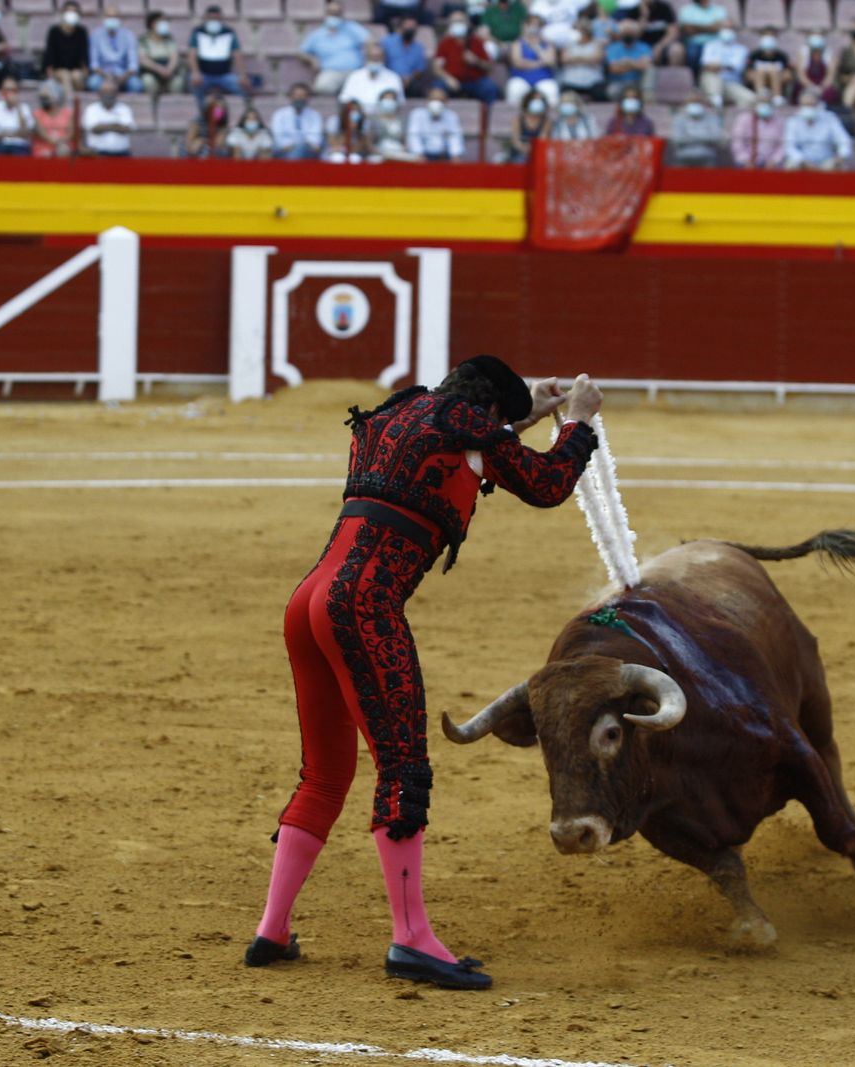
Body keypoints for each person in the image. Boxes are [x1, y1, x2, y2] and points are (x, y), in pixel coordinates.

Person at [245, 359, 602, 991]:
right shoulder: (471, 431)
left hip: (307, 604)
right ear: (490, 414)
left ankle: (272, 929)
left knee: (324, 774)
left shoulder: (396, 416)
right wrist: (576, 421)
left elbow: (462, 442)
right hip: (362, 607)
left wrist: (529, 413)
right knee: (403, 771)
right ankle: (410, 940)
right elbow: (548, 484)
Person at [302, 2, 368, 96]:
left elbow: (370, 42)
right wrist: (312, 60)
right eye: (331, 13)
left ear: (342, 15)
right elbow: (302, 52)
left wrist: (368, 60)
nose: (334, 16)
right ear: (325, 14)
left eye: (337, 13)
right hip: (331, 72)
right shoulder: (317, 34)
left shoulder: (352, 28)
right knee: (322, 87)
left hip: (354, 72)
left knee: (365, 90)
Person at [433, 12, 499, 104]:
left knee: (490, 88)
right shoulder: (445, 43)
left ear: (467, 23)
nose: (458, 24)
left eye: (460, 21)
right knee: (438, 88)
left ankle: (486, 117)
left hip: (475, 82)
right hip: (452, 81)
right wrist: (448, 78)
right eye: (454, 22)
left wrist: (476, 61)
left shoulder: (477, 42)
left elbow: (489, 67)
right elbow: (437, 68)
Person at [188, 5, 247, 106]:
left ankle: (244, 115)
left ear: (221, 19)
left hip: (224, 75)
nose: (213, 21)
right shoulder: (198, 32)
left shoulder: (229, 33)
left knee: (243, 88)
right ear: (205, 19)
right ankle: (201, 117)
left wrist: (243, 76)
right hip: (204, 75)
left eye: (216, 19)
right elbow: (192, 54)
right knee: (193, 86)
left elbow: (237, 55)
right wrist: (195, 73)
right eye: (210, 19)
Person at [504, 16, 558, 106]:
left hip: (543, 79)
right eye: (531, 24)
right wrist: (540, 63)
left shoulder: (548, 44)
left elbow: (550, 62)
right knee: (514, 88)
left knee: (551, 90)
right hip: (521, 78)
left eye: (537, 25)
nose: (534, 27)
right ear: (525, 26)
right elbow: (518, 63)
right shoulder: (517, 43)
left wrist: (536, 46)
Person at [783, 99, 850, 170]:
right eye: (805, 105)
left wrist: (840, 157)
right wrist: (803, 161)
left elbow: (844, 140)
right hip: (803, 161)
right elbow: (789, 146)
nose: (808, 108)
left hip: (827, 161)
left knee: (840, 167)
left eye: (811, 105)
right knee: (791, 164)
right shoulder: (793, 120)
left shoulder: (830, 118)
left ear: (819, 105)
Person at [88, 5, 141, 92]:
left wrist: (122, 78)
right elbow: (94, 65)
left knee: (136, 85)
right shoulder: (95, 35)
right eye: (109, 17)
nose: (112, 20)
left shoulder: (129, 35)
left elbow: (133, 65)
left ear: (120, 19)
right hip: (103, 74)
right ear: (103, 18)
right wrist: (107, 76)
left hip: (123, 74)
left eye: (115, 17)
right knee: (93, 83)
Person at [340, 43, 404, 112]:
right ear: (366, 58)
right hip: (359, 118)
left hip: (383, 118)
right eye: (372, 57)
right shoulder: (354, 76)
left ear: (384, 58)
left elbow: (400, 102)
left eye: (378, 57)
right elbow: (344, 99)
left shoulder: (393, 78)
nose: (375, 60)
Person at [44, 1, 90, 95]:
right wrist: (50, 78)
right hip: (59, 71)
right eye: (69, 11)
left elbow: (84, 57)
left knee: (76, 76)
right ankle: (68, 103)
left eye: (74, 12)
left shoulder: (81, 32)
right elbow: (49, 56)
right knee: (65, 75)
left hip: (75, 71)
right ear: (63, 13)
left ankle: (78, 102)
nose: (71, 14)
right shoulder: (54, 32)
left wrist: (84, 75)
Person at [699, 23, 750, 108]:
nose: (727, 31)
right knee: (712, 77)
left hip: (730, 83)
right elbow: (706, 66)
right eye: (725, 28)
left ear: (735, 31)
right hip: (712, 80)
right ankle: (715, 102)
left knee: (750, 99)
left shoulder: (741, 49)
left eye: (730, 29)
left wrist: (716, 66)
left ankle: (734, 117)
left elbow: (736, 67)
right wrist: (723, 66)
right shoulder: (710, 45)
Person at [82, 75, 135, 157]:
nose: (108, 95)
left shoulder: (124, 109)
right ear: (99, 94)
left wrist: (104, 126)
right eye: (105, 92)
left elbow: (127, 128)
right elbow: (94, 129)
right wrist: (116, 126)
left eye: (111, 92)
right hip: (97, 154)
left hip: (122, 154)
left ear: (116, 94)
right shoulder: (91, 109)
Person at [271, 82, 325, 159]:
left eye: (303, 96)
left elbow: (315, 137)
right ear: (291, 97)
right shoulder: (280, 114)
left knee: (302, 149)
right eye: (297, 95)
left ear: (307, 98)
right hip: (283, 149)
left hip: (307, 148)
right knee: (296, 150)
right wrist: (294, 145)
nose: (300, 98)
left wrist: (302, 145)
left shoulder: (315, 115)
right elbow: (278, 136)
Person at [407, 86, 463, 160]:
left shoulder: (451, 116)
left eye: (440, 100)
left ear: (446, 102)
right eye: (433, 99)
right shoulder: (417, 114)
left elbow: (454, 137)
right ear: (427, 100)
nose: (437, 103)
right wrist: (418, 153)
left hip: (444, 156)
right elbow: (413, 136)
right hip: (423, 154)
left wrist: (455, 155)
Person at [557, 16, 605, 101]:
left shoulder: (597, 44)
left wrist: (576, 58)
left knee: (600, 94)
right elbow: (565, 59)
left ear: (586, 32)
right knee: (564, 94)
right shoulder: (568, 44)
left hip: (592, 82)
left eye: (579, 30)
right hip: (571, 82)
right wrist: (587, 59)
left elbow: (597, 59)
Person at [731, 92, 785, 168]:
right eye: (762, 102)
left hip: (770, 163)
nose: (765, 106)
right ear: (755, 104)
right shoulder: (744, 119)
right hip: (746, 162)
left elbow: (782, 145)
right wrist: (745, 159)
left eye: (767, 103)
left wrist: (774, 160)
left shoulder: (778, 121)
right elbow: (737, 142)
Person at [139, 13, 184, 99]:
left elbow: (174, 56)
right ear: (153, 24)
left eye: (165, 21)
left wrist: (169, 70)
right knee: (148, 81)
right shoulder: (143, 39)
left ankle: (173, 108)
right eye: (161, 21)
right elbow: (142, 59)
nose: (165, 24)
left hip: (168, 70)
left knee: (178, 82)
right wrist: (159, 69)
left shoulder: (169, 38)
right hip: (151, 71)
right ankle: (151, 108)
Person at [669, 94, 723, 165]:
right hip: (683, 155)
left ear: (703, 104)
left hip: (707, 155)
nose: (695, 105)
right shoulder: (679, 118)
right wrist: (703, 138)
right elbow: (677, 139)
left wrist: (690, 137)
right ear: (687, 104)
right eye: (692, 103)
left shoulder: (712, 118)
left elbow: (716, 137)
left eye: (698, 103)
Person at [677, 0, 727, 76]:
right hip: (694, 43)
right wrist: (710, 28)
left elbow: (722, 26)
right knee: (692, 54)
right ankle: (694, 80)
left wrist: (696, 28)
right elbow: (687, 30)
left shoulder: (718, 9)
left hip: (715, 43)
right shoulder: (687, 9)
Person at [382, 16, 430, 96]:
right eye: (407, 26)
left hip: (409, 81)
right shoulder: (387, 42)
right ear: (400, 27)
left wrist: (409, 78)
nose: (410, 29)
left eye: (412, 27)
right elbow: (381, 62)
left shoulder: (418, 47)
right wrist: (395, 78)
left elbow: (419, 70)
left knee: (418, 87)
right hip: (388, 78)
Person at [0, 76, 34, 155]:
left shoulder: (24, 108)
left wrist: (18, 107)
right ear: (2, 92)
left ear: (17, 92)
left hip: (19, 146)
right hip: (0, 145)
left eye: (13, 90)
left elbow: (26, 132)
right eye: (7, 90)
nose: (10, 94)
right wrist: (16, 134)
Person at [605, 19, 653, 95]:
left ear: (636, 33)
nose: (627, 34)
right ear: (620, 33)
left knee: (651, 69)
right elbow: (614, 69)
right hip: (619, 83)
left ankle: (648, 95)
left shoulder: (644, 47)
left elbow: (646, 66)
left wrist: (627, 62)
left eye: (630, 31)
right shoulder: (612, 48)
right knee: (612, 92)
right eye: (625, 32)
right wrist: (636, 64)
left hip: (638, 83)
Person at [503, 87, 549, 160]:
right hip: (519, 152)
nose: (538, 102)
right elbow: (515, 141)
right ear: (528, 102)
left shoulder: (546, 121)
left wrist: (533, 150)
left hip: (538, 152)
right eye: (535, 100)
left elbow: (542, 139)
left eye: (540, 100)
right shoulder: (518, 120)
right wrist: (525, 148)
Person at [32, 80, 75, 158]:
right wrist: (54, 141)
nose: (43, 101)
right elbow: (41, 133)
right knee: (46, 154)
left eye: (46, 98)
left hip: (64, 145)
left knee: (64, 150)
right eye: (42, 98)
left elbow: (71, 133)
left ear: (56, 96)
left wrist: (60, 141)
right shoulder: (38, 113)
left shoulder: (67, 113)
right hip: (43, 146)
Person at [744, 30, 792, 100]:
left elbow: (788, 73)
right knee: (760, 73)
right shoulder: (754, 55)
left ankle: (777, 96)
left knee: (774, 72)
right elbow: (748, 73)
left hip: (777, 78)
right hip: (759, 78)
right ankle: (761, 97)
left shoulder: (781, 56)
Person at [797, 33, 836, 105]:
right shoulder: (803, 53)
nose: (816, 52)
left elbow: (830, 76)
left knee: (829, 94)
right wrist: (812, 87)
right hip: (807, 84)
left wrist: (821, 88)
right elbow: (801, 76)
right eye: (814, 50)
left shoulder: (828, 54)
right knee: (804, 95)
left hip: (822, 85)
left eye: (818, 50)